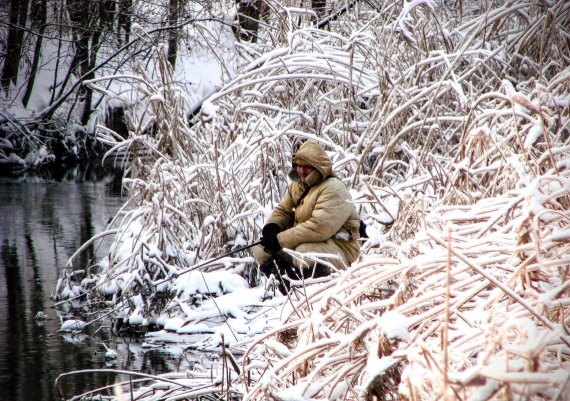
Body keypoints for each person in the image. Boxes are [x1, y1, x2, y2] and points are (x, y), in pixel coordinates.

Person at [253, 141, 361, 292]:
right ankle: (288, 290)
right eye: (299, 165)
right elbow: (283, 210)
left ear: (318, 166)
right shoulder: (297, 186)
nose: (301, 170)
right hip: (305, 245)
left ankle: (316, 293)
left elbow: (319, 227)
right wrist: (272, 227)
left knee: (304, 252)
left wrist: (279, 240)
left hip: (341, 251)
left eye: (307, 166)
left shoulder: (334, 189)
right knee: (260, 248)